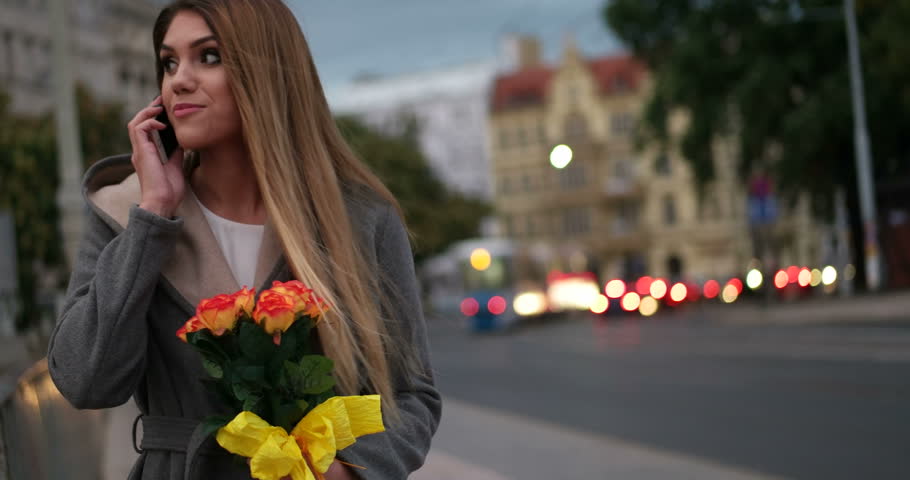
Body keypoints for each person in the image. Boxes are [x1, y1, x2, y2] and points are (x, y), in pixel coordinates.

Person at [46, 1, 441, 478]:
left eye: (208, 57)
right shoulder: (123, 214)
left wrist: (346, 470)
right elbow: (84, 382)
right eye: (169, 62)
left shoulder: (359, 218)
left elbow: (412, 397)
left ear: (267, 74)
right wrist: (151, 219)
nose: (179, 80)